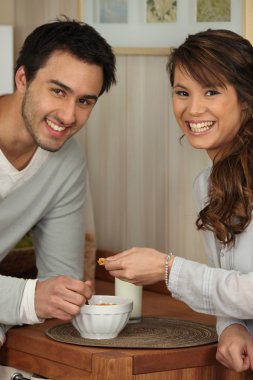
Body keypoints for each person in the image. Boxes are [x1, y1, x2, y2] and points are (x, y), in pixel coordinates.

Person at [104, 29, 253, 373]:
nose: (193, 108)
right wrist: (229, 325)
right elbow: (226, 282)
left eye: (212, 91)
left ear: (245, 98)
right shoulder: (206, 184)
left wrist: (167, 270)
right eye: (182, 92)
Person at [0, 16, 116, 347]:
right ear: (23, 77)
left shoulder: (67, 162)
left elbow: (61, 281)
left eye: (84, 101)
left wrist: (64, 295)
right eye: (57, 91)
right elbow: (36, 297)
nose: (68, 116)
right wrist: (26, 298)